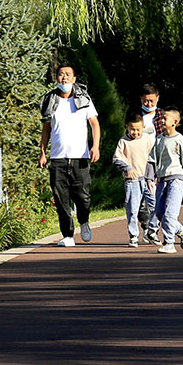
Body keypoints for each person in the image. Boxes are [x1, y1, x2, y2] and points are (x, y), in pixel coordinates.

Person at [39, 63, 101, 247]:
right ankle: (67, 235)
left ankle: (84, 221)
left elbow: (95, 124)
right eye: (60, 74)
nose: (64, 78)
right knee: (60, 198)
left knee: (83, 197)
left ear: (74, 79)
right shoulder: (51, 101)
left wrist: (95, 146)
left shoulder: (83, 99)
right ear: (56, 78)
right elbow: (46, 130)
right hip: (57, 158)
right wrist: (42, 152)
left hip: (79, 157)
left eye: (68, 75)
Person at [148, 108, 183, 254]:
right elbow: (151, 160)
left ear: (175, 122)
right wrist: (150, 178)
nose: (162, 121)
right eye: (161, 118)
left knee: (170, 212)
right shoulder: (159, 139)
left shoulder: (180, 140)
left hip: (177, 179)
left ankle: (169, 243)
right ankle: (182, 229)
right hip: (162, 180)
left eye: (165, 118)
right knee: (159, 212)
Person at [113, 114, 156, 247]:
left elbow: (153, 158)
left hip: (148, 179)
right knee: (133, 209)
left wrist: (153, 176)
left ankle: (152, 231)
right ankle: (133, 235)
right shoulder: (123, 141)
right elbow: (117, 158)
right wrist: (127, 168)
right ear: (127, 127)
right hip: (132, 180)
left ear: (143, 127)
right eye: (132, 129)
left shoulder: (147, 139)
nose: (135, 132)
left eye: (138, 129)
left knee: (155, 205)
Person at [138, 84, 163, 243]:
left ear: (157, 99)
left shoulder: (162, 116)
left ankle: (154, 228)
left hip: (158, 161)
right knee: (140, 200)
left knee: (155, 197)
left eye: (152, 101)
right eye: (146, 101)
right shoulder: (135, 116)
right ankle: (146, 227)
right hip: (139, 160)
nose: (148, 104)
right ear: (141, 99)